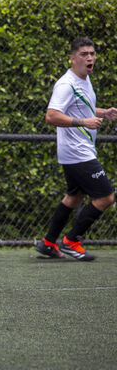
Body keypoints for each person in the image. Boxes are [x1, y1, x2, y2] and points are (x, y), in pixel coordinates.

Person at [36, 37, 117, 261]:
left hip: (76, 152)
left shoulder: (84, 80)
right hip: (77, 152)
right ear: (72, 59)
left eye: (92, 53)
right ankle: (72, 241)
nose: (89, 57)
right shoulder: (66, 84)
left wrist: (101, 113)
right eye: (84, 54)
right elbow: (51, 115)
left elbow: (82, 106)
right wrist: (84, 123)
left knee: (74, 196)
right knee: (106, 197)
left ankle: (48, 243)